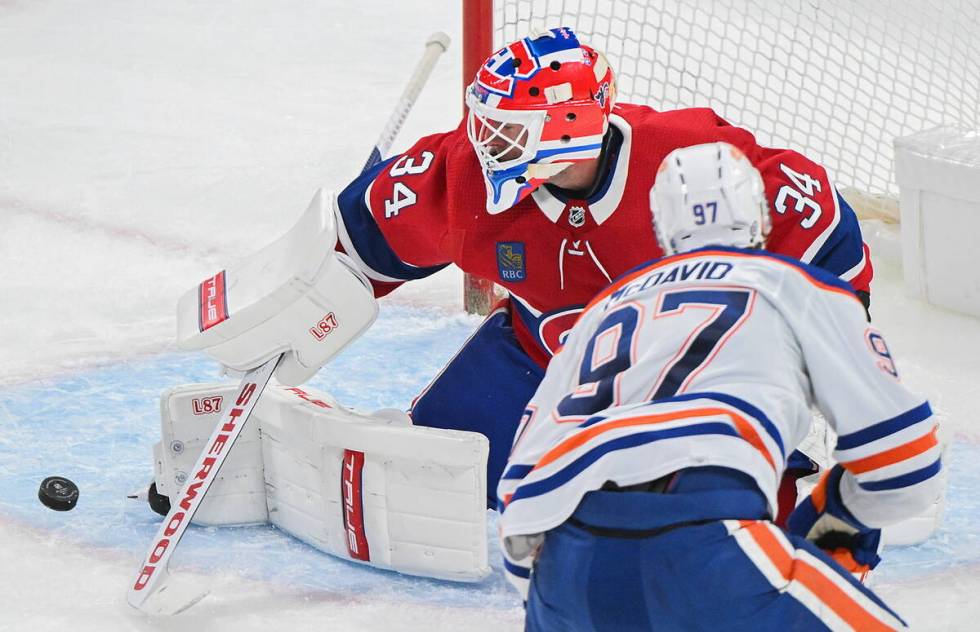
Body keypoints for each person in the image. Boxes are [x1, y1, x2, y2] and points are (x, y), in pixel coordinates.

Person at [333, 26, 873, 507]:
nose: (484, 141)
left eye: (509, 128)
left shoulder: (689, 162)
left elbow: (818, 220)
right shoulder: (467, 174)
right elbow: (363, 237)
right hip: (544, 352)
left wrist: (826, 352)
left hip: (689, 377)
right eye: (487, 122)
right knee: (444, 469)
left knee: (704, 514)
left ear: (570, 123)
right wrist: (311, 299)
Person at [495, 142, 940, 631]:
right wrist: (840, 517)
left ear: (661, 227)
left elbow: (519, 491)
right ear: (757, 217)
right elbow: (904, 466)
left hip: (564, 572)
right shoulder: (793, 283)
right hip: (705, 538)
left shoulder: (596, 314)